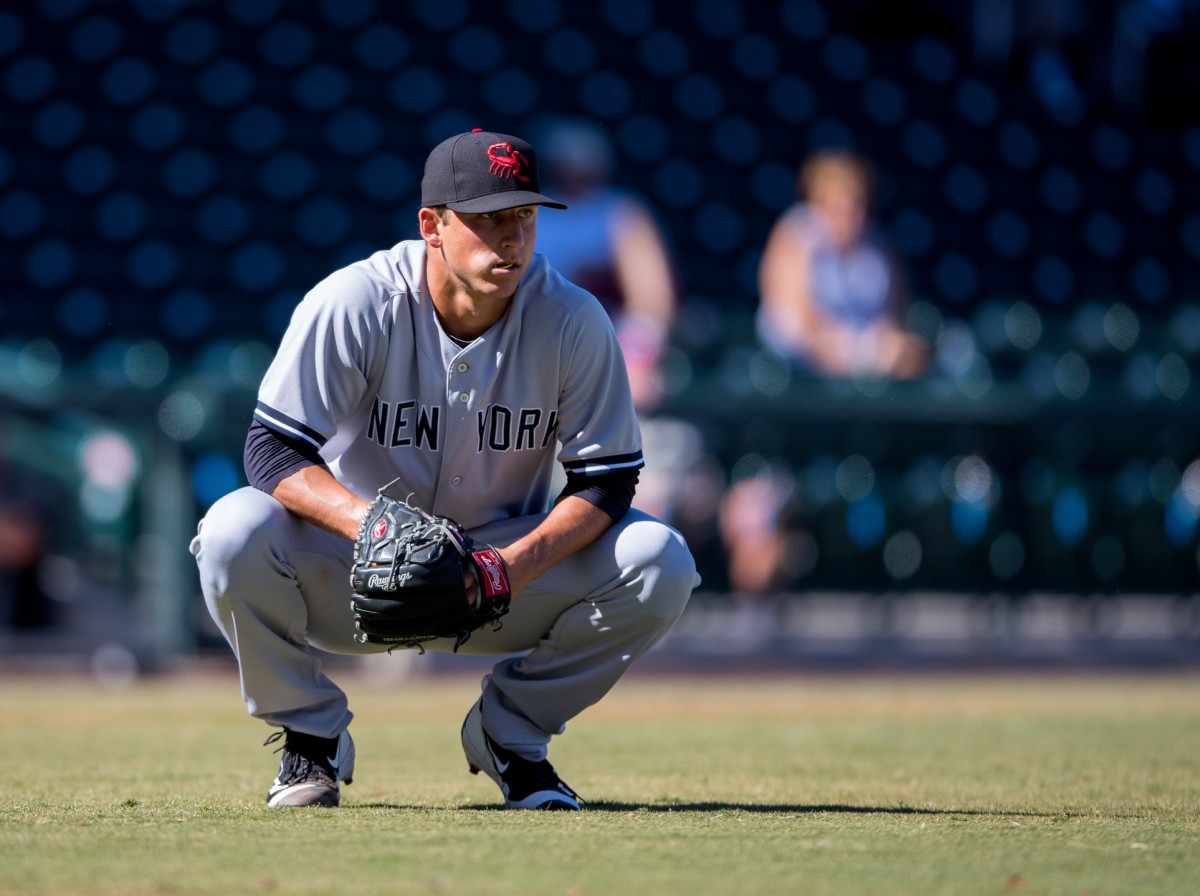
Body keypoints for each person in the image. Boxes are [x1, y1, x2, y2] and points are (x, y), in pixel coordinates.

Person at [190, 129, 699, 810]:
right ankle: (310, 736)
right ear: (432, 225)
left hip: (494, 576)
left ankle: (510, 736)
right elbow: (272, 450)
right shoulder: (357, 301)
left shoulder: (573, 320)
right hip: (354, 567)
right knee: (231, 530)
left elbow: (607, 480)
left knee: (659, 558)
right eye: (487, 220)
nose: (511, 238)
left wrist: (510, 566)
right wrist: (371, 525)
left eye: (523, 216)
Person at [534, 117, 678, 413]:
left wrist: (637, 349)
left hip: (607, 334)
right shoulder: (530, 212)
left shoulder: (621, 212)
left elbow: (652, 296)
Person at [756, 149, 927, 380]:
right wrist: (853, 356)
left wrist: (888, 348)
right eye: (840, 205)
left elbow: (896, 311)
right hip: (799, 363)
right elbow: (795, 316)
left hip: (866, 356)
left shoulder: (879, 242)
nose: (853, 215)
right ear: (819, 201)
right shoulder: (795, 235)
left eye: (859, 204)